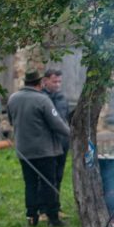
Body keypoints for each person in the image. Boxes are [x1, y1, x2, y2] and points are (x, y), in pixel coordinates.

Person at [8, 68, 70, 227]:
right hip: (44, 151)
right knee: (49, 183)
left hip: (24, 150)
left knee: (30, 184)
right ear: (39, 83)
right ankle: (53, 218)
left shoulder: (13, 98)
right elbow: (57, 124)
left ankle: (32, 216)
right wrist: (71, 134)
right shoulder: (42, 100)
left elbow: (11, 120)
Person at [42, 69, 70, 219]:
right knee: (47, 177)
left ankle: (55, 206)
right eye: (54, 81)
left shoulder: (62, 98)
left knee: (58, 176)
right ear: (45, 81)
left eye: (59, 81)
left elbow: (65, 118)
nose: (57, 84)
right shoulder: (41, 98)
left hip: (63, 142)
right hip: (47, 143)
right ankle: (44, 209)